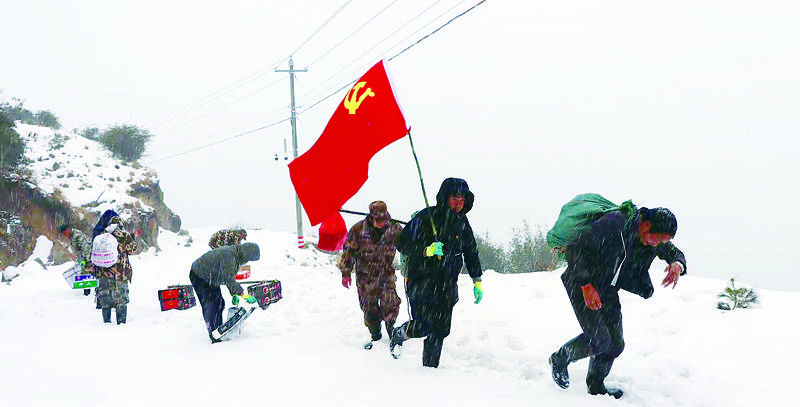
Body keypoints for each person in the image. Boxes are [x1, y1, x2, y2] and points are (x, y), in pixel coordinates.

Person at [548, 206, 687, 399]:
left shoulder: (653, 239)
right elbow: (575, 246)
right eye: (657, 239)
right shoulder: (615, 224)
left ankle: (596, 386)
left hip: (607, 288)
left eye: (661, 242)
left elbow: (673, 252)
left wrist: (677, 264)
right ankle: (560, 358)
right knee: (599, 339)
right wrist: (586, 285)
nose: (657, 245)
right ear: (646, 225)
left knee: (615, 344)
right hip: (581, 282)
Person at [391, 178, 483, 367]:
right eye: (454, 198)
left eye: (462, 199)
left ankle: (430, 370)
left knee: (440, 330)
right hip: (421, 281)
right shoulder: (426, 217)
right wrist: (426, 250)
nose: (459, 203)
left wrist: (477, 280)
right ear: (445, 197)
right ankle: (400, 333)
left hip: (447, 284)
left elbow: (471, 251)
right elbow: (402, 244)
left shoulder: (462, 222)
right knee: (424, 325)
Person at [337, 201, 404, 349]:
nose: (382, 223)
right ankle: (376, 335)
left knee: (391, 304)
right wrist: (346, 272)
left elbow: (406, 246)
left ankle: (391, 330)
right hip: (365, 277)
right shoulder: (358, 229)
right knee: (369, 310)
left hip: (387, 275)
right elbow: (349, 252)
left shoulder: (395, 228)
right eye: (378, 220)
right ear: (371, 217)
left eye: (384, 219)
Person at [189, 242, 260, 343]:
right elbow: (228, 278)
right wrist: (242, 294)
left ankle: (218, 329)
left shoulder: (235, 256)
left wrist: (234, 293)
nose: (247, 261)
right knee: (210, 304)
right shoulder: (230, 255)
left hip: (210, 277)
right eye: (248, 258)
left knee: (219, 303)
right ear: (245, 253)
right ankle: (213, 332)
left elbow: (228, 275)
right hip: (199, 275)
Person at [90, 214, 138, 325]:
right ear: (120, 224)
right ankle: (121, 323)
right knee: (121, 299)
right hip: (119, 274)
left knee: (105, 298)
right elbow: (132, 250)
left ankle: (106, 322)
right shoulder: (124, 235)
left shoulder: (102, 236)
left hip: (103, 273)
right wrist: (133, 237)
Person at [59, 223, 92, 296]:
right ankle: (87, 290)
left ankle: (87, 292)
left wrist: (86, 260)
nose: (64, 235)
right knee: (84, 272)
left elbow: (85, 247)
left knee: (86, 271)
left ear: (68, 230)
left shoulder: (77, 235)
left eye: (64, 232)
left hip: (88, 256)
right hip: (83, 257)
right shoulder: (71, 236)